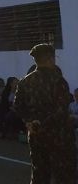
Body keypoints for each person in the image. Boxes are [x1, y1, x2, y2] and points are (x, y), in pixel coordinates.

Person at [14, 43, 76, 184]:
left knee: (39, 174)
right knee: (64, 174)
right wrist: (40, 122)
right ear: (49, 59)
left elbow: (17, 106)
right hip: (58, 136)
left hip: (36, 135)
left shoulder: (24, 82)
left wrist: (29, 121)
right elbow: (61, 110)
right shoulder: (58, 81)